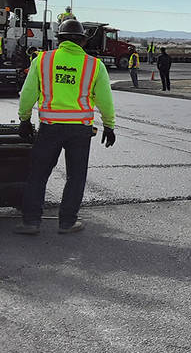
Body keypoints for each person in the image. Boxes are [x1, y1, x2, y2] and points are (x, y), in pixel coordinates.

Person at [14, 19, 117, 235]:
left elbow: (27, 94)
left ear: (59, 39)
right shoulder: (94, 65)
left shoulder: (42, 60)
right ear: (82, 41)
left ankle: (31, 222)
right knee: (76, 176)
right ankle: (67, 222)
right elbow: (105, 100)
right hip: (80, 129)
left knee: (38, 174)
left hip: (50, 127)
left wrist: (24, 120)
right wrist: (109, 125)